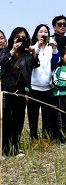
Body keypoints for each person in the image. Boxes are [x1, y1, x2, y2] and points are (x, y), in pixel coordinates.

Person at [0, 27, 39, 157]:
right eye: (18, 37)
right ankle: (5, 149)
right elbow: (2, 62)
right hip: (6, 89)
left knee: (19, 119)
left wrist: (33, 52)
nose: (21, 39)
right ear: (12, 38)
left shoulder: (27, 53)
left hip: (21, 89)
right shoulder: (5, 51)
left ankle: (15, 147)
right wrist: (12, 50)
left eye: (23, 37)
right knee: (6, 119)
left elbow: (35, 64)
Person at [27, 24, 59, 148]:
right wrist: (38, 47)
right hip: (34, 87)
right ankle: (34, 140)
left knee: (47, 116)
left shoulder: (51, 49)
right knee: (33, 116)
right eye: (41, 31)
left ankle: (46, 139)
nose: (43, 34)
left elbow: (55, 61)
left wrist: (55, 48)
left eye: (46, 31)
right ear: (36, 34)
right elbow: (32, 62)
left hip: (47, 87)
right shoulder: (32, 47)